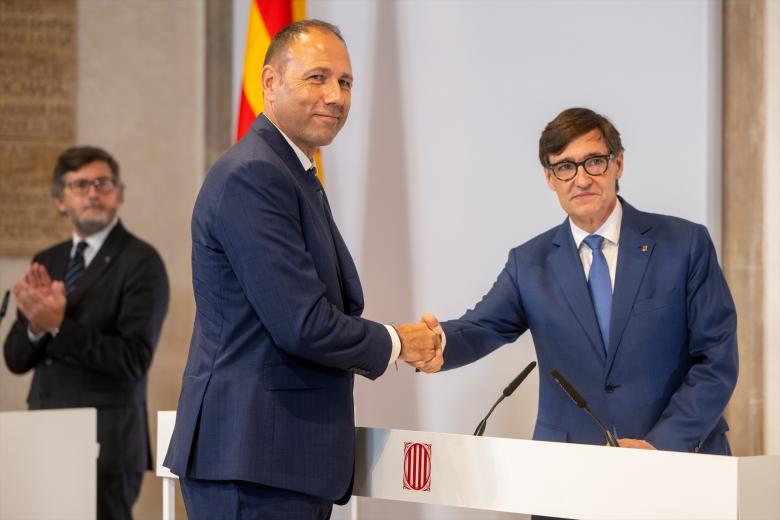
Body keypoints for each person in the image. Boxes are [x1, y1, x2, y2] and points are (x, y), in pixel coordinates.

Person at [163, 19, 441, 519]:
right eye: (317, 77)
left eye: (346, 82)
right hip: (252, 465)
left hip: (280, 463)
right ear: (269, 82)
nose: (335, 95)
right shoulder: (254, 175)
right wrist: (398, 342)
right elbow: (302, 324)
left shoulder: (292, 171)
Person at [422, 107, 738, 454]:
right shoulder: (529, 263)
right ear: (550, 178)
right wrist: (434, 343)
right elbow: (480, 328)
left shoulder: (684, 244)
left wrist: (661, 444)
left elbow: (716, 359)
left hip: (676, 461)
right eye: (565, 166)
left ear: (618, 164)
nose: (582, 179)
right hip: (568, 469)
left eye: (595, 162)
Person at [4, 146, 170, 520]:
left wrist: (60, 325)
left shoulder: (141, 262)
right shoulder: (47, 260)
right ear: (61, 201)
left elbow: (134, 360)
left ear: (120, 194)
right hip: (44, 436)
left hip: (107, 445)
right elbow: (15, 358)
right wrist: (35, 327)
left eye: (103, 183)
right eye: (80, 185)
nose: (93, 193)